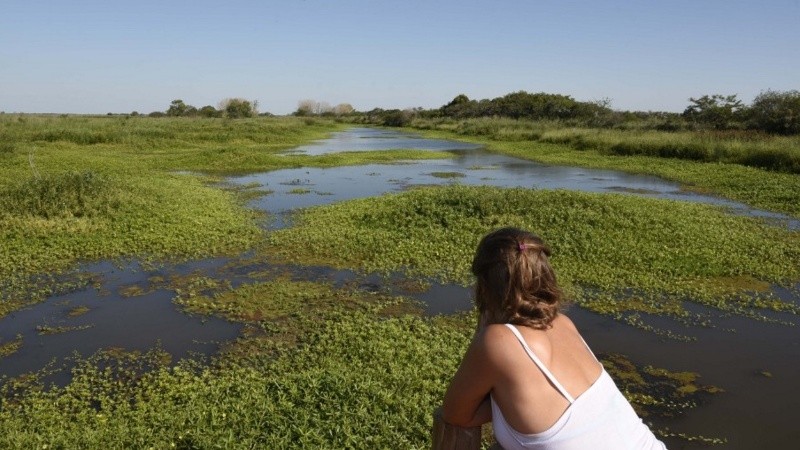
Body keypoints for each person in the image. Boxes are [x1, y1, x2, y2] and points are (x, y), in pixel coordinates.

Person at [442, 227, 666, 449]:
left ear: (484, 286)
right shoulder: (562, 323)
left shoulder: (498, 341)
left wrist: (483, 326)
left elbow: (456, 414)